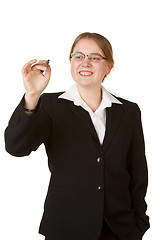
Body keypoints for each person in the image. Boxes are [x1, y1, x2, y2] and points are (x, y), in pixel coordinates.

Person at [5, 32, 150, 240]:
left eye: (95, 57)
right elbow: (15, 148)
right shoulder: (49, 105)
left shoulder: (129, 111)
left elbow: (138, 171)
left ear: (108, 67)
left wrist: (139, 222)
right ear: (70, 62)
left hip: (120, 229)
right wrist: (32, 95)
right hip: (66, 226)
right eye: (78, 56)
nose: (85, 63)